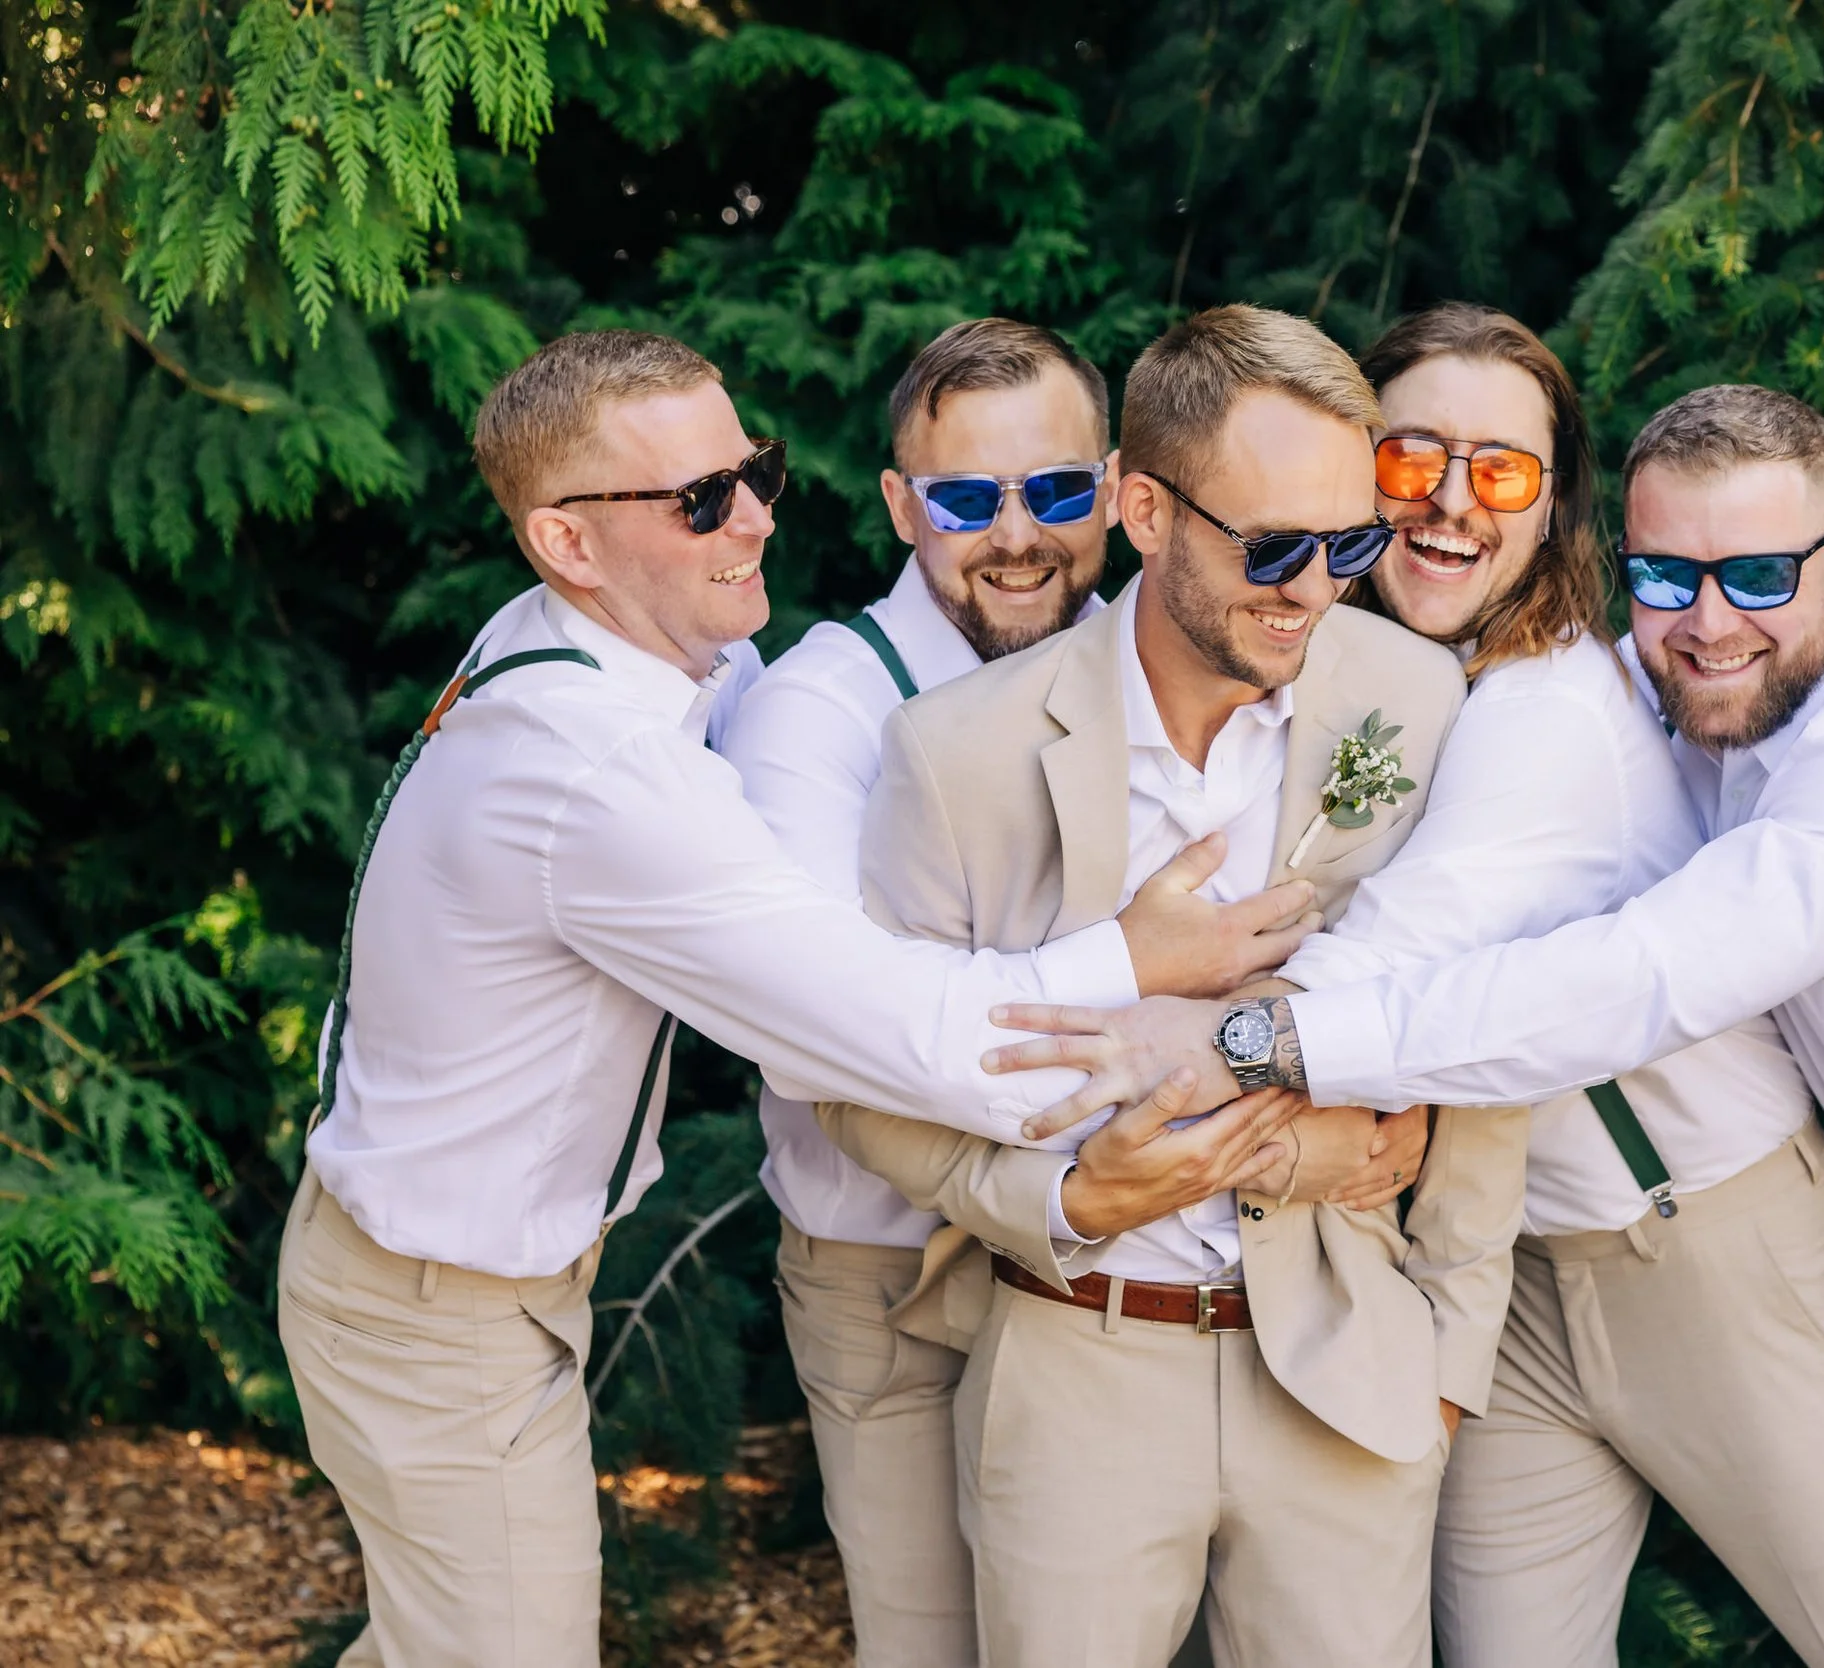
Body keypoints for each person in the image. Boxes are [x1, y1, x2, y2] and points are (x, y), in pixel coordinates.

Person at [995, 383, 1824, 1668]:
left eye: (1756, 575)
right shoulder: (1666, 706)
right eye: (1668, 578)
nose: (1710, 622)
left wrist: (1248, 1039)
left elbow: (1640, 978)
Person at [277, 329, 1318, 1667]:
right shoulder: (604, 778)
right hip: (438, 1300)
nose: (758, 517)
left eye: (752, 471)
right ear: (568, 544)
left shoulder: (633, 659)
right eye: (701, 501)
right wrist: (1138, 956)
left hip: (448, 1268)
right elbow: (901, 1039)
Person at [1276, 305, 1824, 1668]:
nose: (1447, 502)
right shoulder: (1378, 683)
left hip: (1705, 1244)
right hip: (1516, 1271)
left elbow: (1379, 967)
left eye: (1500, 470)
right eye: (1407, 456)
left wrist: (1173, 1036)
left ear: (1554, 510)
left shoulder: (1544, 711)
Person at [822, 304, 1530, 1668]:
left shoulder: (1418, 698)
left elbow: (1489, 1019)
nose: (1313, 588)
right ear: (1145, 511)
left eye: (1349, 544)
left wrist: (1447, 1353)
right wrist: (1066, 1200)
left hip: (1343, 1370)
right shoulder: (951, 755)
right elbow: (863, 1090)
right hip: (1074, 1365)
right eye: (1270, 545)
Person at [723, 317, 1175, 1666]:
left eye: (1057, 490)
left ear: (1114, 486)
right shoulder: (818, 709)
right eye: (970, 498)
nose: (1019, 533)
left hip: (1124, 1265)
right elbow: (822, 1038)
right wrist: (1137, 974)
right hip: (889, 1266)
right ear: (902, 504)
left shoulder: (1169, 673)